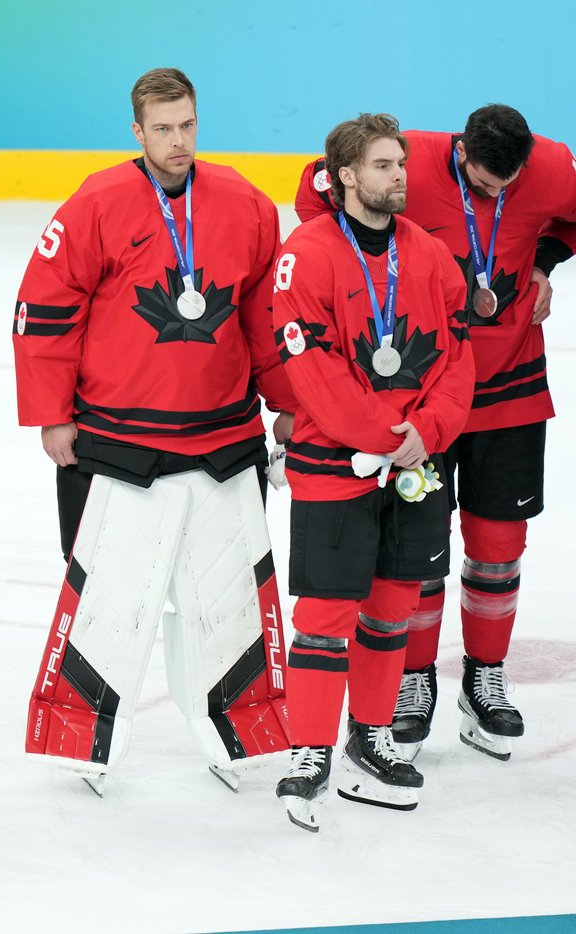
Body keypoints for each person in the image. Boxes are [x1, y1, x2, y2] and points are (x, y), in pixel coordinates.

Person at [13, 68, 294, 794]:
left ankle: (243, 729)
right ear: (136, 132)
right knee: (107, 596)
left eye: (188, 125)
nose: (179, 141)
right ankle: (83, 737)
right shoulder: (96, 202)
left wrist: (286, 402)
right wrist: (52, 414)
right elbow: (45, 309)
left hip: (224, 437)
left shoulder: (246, 204)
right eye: (163, 128)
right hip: (111, 439)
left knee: (229, 596)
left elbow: (268, 320)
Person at [294, 106, 576, 761]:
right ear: (460, 155)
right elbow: (317, 198)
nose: (497, 194)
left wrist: (545, 264)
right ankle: (411, 682)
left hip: (510, 390)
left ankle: (484, 680)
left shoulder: (553, 167)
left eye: (510, 185)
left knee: (499, 546)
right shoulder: (406, 160)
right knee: (416, 557)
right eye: (483, 182)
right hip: (423, 400)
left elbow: (568, 217)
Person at [272, 114, 474, 831]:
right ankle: (309, 748)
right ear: (347, 176)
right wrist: (388, 437)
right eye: (384, 166)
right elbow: (313, 373)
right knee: (325, 617)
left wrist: (428, 432)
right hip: (336, 463)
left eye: (401, 164)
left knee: (393, 607)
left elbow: (458, 357)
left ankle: (373, 735)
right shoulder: (306, 254)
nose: (400, 176)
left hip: (415, 463)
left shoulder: (430, 255)